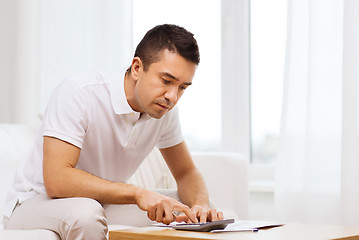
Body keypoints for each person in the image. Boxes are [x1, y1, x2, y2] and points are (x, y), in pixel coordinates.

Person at [2, 24, 223, 239]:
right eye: (166, 81)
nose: (173, 96)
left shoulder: (164, 111)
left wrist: (200, 206)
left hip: (100, 203)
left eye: (182, 87)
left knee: (194, 212)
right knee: (86, 214)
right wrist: (138, 193)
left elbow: (186, 173)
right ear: (137, 68)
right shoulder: (79, 93)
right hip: (34, 202)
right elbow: (57, 180)